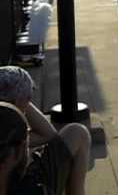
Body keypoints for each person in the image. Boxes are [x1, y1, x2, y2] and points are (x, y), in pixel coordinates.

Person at [0, 66, 91, 195]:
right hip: (21, 187)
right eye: (28, 99)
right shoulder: (13, 132)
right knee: (77, 133)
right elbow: (48, 134)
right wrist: (15, 100)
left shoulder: (7, 130)